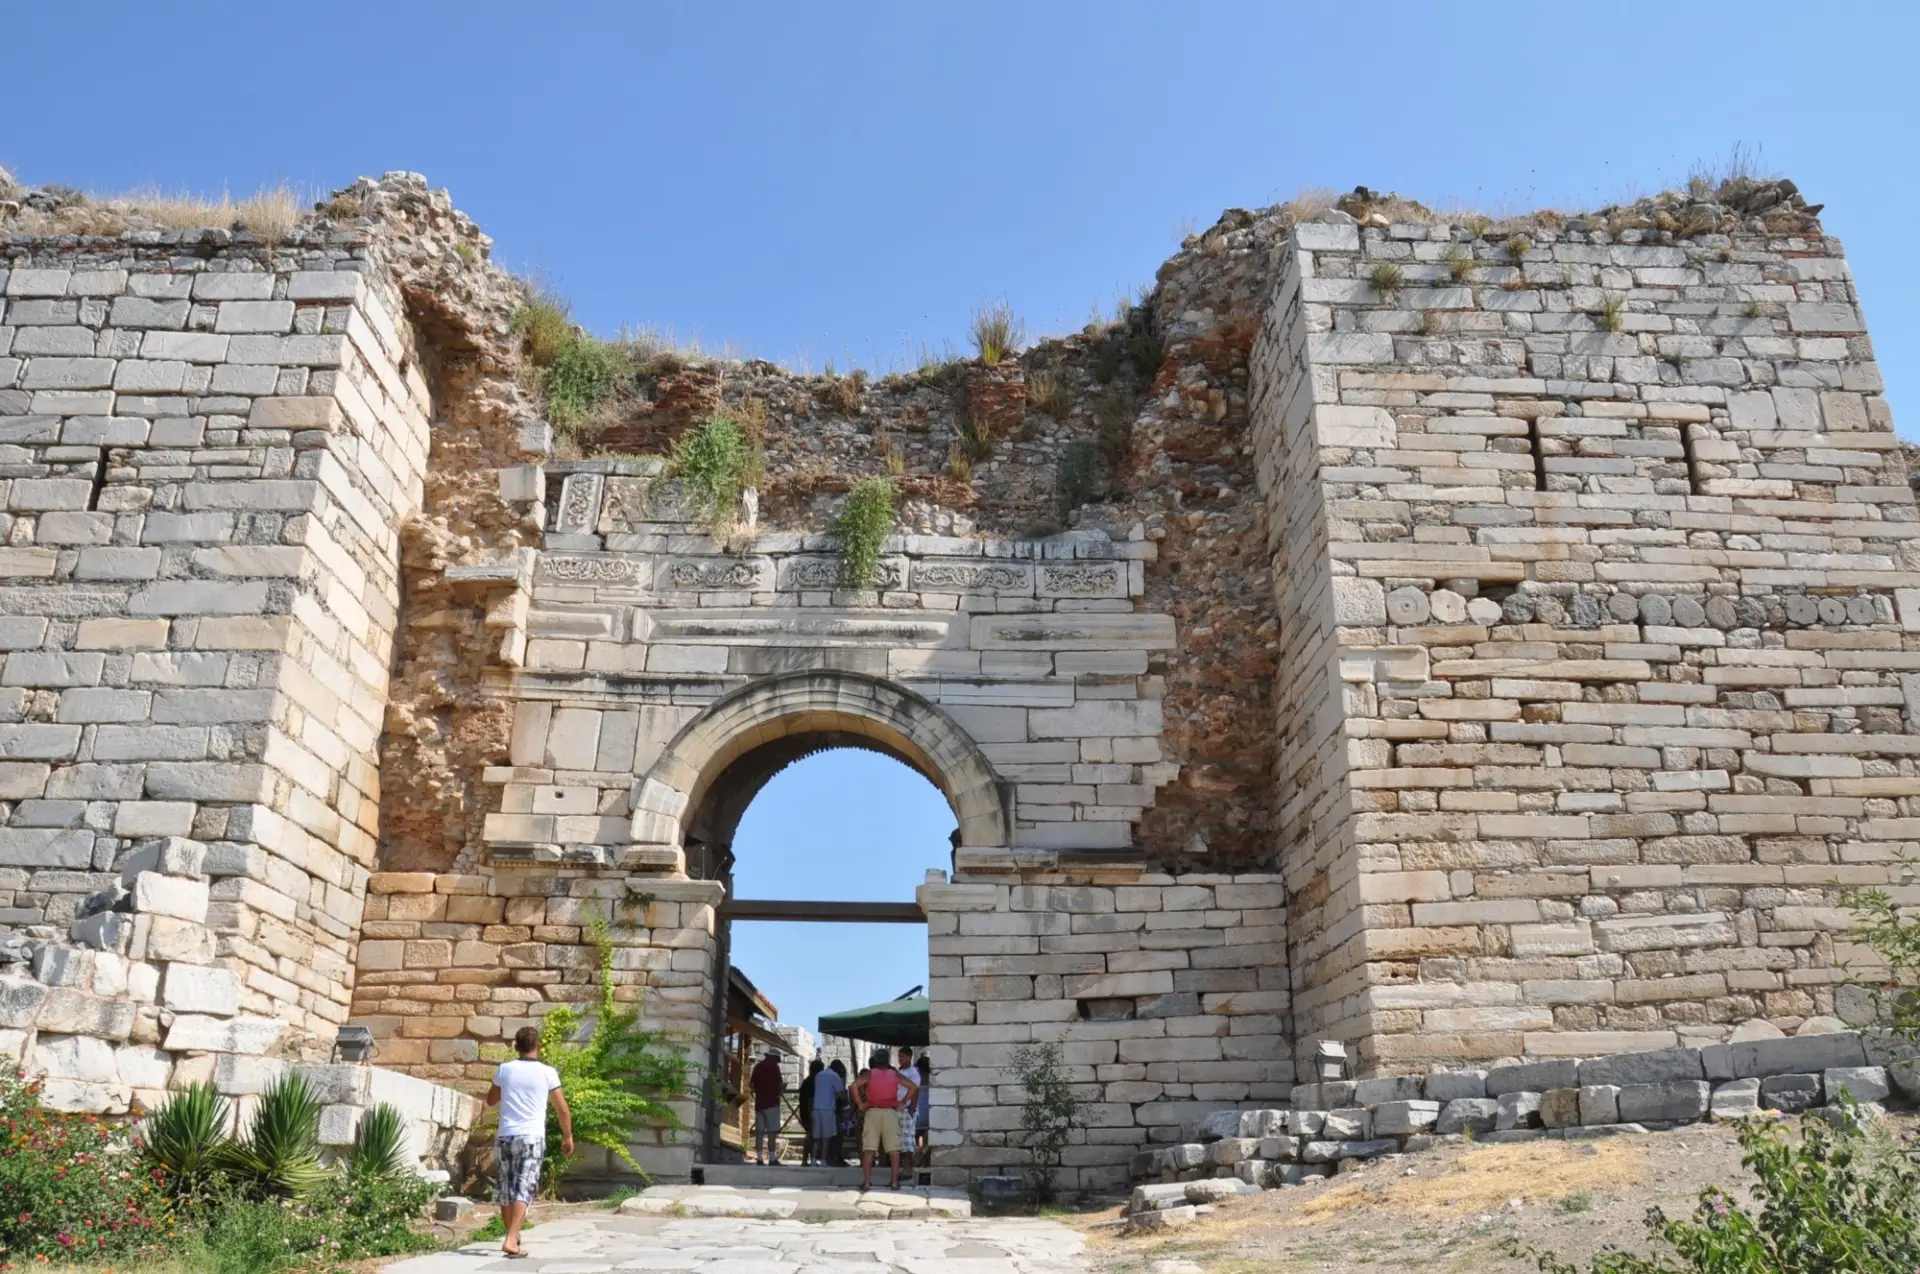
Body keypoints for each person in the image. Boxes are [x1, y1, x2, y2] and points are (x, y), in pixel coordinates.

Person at [485, 1025, 574, 1261]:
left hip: (506, 1136)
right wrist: (567, 1136)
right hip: (532, 1137)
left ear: (516, 1046)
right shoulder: (547, 1072)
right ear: (538, 1046)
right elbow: (562, 1109)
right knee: (525, 1187)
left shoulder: (504, 1070)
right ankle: (511, 1239)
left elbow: (491, 1100)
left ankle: (511, 1236)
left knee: (506, 1189)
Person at [850, 1048, 919, 1191]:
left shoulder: (870, 1074)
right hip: (890, 1112)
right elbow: (913, 1087)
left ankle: (867, 1182)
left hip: (872, 1111)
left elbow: (854, 1086)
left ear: (875, 1060)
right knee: (894, 1150)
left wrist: (860, 1104)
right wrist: (903, 1102)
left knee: (869, 1150)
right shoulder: (894, 1074)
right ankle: (894, 1182)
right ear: (888, 1060)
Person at [749, 1049, 785, 1165]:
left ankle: (759, 1158)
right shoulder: (774, 1067)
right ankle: (772, 1158)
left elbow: (751, 1085)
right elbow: (779, 1084)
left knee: (759, 1133)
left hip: (759, 1104)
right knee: (772, 1133)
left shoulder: (758, 1066)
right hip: (772, 1103)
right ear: (775, 1058)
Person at [809, 1056, 845, 1167]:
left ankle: (814, 1160)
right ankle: (824, 1160)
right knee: (826, 1137)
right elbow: (840, 1095)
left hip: (816, 1107)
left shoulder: (819, 1075)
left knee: (816, 1136)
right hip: (828, 1108)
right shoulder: (835, 1076)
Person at [894, 1046, 918, 1167]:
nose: (900, 1059)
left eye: (902, 1057)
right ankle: (903, 1166)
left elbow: (915, 1091)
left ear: (909, 1057)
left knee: (907, 1141)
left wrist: (911, 1109)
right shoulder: (900, 1072)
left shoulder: (913, 1073)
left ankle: (908, 1167)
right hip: (897, 1109)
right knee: (899, 1141)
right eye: (899, 1057)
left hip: (906, 1109)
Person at [797, 1059, 821, 1165]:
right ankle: (806, 1159)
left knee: (810, 1135)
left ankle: (808, 1159)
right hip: (809, 1112)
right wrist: (811, 1115)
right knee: (811, 1136)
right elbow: (810, 1100)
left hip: (804, 1111)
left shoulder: (806, 1081)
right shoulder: (812, 1082)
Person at [829, 1060, 852, 1165]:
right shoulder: (839, 1078)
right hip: (839, 1110)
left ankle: (834, 1158)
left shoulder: (830, 1078)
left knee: (834, 1136)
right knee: (839, 1136)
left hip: (831, 1109)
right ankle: (837, 1158)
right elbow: (842, 1095)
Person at [914, 1054, 932, 1162]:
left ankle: (916, 1161)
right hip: (930, 1115)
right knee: (927, 1143)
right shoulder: (933, 1080)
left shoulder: (916, 1079)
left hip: (918, 1114)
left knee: (915, 1141)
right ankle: (924, 1161)